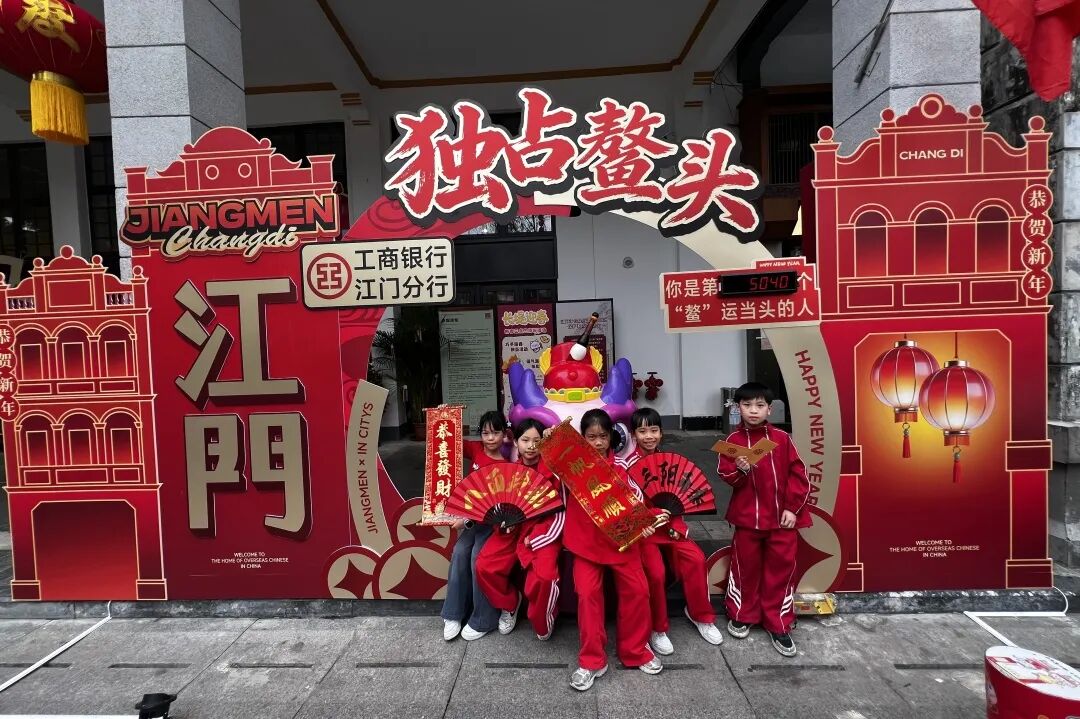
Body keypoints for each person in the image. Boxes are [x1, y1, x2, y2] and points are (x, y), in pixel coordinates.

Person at [560, 409, 667, 691]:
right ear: (582, 438)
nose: (598, 443)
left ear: (611, 438)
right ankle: (592, 660)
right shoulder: (571, 466)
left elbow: (636, 499)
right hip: (585, 544)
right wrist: (552, 438)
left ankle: (635, 651)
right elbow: (550, 466)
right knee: (587, 596)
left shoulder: (620, 466)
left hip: (622, 543)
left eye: (603, 437)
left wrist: (645, 522)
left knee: (638, 591)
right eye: (591, 437)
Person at [617, 407, 723, 656]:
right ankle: (658, 627)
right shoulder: (626, 465)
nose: (649, 436)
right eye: (642, 431)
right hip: (645, 532)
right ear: (633, 435)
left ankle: (701, 615)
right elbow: (628, 507)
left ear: (661, 433)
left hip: (670, 528)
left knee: (696, 559)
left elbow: (679, 499)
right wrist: (649, 519)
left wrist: (677, 527)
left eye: (654, 430)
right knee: (656, 574)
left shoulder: (668, 461)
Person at [717, 382, 811, 657]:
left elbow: (799, 475)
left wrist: (792, 509)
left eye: (760, 405)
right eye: (747, 405)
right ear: (738, 408)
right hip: (747, 520)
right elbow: (727, 476)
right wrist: (740, 470)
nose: (753, 410)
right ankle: (741, 614)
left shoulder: (782, 438)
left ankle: (778, 623)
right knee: (745, 570)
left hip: (782, 521)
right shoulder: (731, 443)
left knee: (780, 572)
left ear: (770, 409)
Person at [474, 418, 564, 640]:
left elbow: (561, 512)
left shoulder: (554, 471)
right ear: (515, 442)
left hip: (542, 531)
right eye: (525, 440)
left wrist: (538, 538)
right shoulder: (509, 471)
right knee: (485, 566)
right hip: (512, 530)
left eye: (537, 441)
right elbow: (500, 504)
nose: (531, 446)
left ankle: (543, 621)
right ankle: (510, 603)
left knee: (544, 578)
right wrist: (502, 523)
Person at [440, 410, 508, 641]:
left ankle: (483, 619)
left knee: (477, 560)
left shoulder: (505, 465)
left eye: (496, 433)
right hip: (470, 523)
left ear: (505, 435)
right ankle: (453, 613)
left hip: (490, 525)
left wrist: (466, 520)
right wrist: (443, 417)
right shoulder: (476, 450)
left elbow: (495, 506)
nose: (490, 438)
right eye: (486, 433)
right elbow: (450, 441)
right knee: (459, 553)